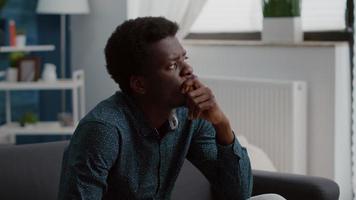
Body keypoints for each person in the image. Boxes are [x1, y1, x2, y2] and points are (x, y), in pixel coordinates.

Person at [58, 16, 285, 200]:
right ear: (139, 84)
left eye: (184, 59)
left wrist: (222, 125)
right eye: (172, 65)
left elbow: (237, 194)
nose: (188, 70)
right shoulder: (104, 129)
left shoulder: (189, 117)